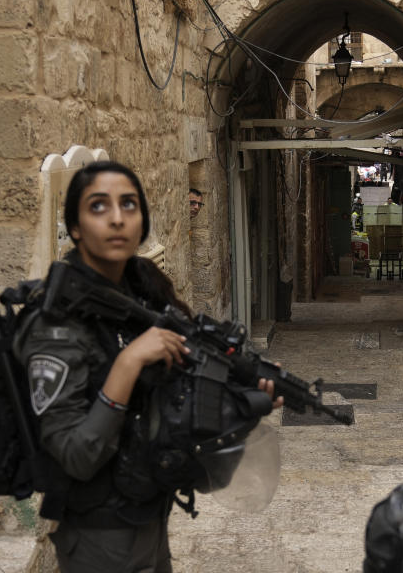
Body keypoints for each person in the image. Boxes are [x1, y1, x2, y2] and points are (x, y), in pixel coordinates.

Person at [16, 161, 282, 572]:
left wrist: (241, 404)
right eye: (99, 206)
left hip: (148, 519)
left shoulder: (143, 299)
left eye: (129, 204)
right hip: (98, 537)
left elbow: (172, 413)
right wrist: (130, 360)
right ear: (74, 227)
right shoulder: (58, 325)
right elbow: (76, 457)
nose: (118, 217)